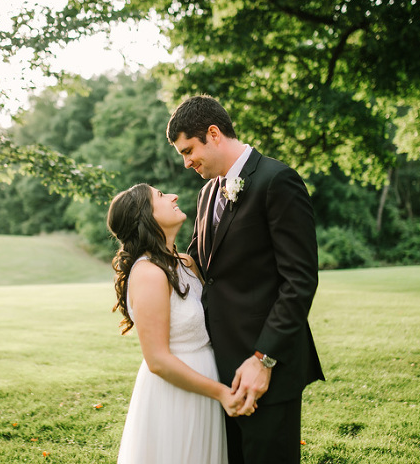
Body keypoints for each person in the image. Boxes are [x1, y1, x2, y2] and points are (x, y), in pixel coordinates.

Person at [166, 95, 325, 463]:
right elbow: (201, 265)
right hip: (219, 369)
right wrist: (144, 258)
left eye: (189, 151)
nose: (188, 163)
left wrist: (263, 358)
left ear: (214, 133)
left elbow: (299, 281)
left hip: (265, 366)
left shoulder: (277, 180)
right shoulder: (208, 192)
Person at [107, 183, 244, 464]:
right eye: (160, 195)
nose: (174, 196)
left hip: (206, 384)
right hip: (175, 394)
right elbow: (157, 359)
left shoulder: (186, 263)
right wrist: (221, 393)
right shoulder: (148, 273)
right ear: (146, 216)